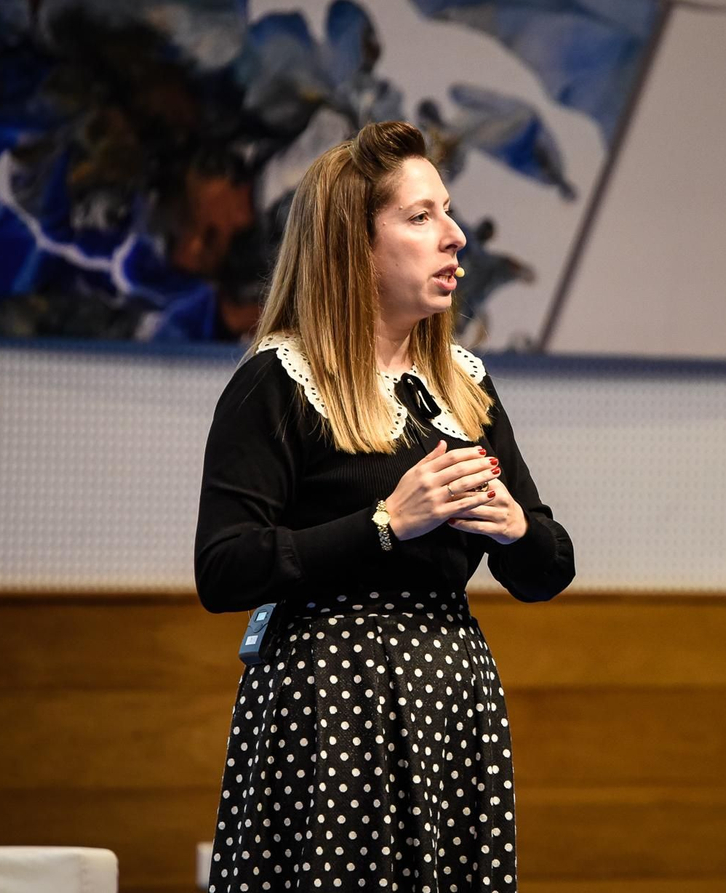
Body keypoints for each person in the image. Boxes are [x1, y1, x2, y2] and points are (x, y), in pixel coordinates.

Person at [193, 121, 575, 892]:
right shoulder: (279, 380)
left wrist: (515, 529)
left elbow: (549, 568)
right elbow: (225, 568)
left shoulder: (462, 384)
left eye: (448, 213)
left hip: (450, 698)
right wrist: (385, 525)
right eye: (421, 216)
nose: (455, 236)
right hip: (331, 701)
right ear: (353, 245)